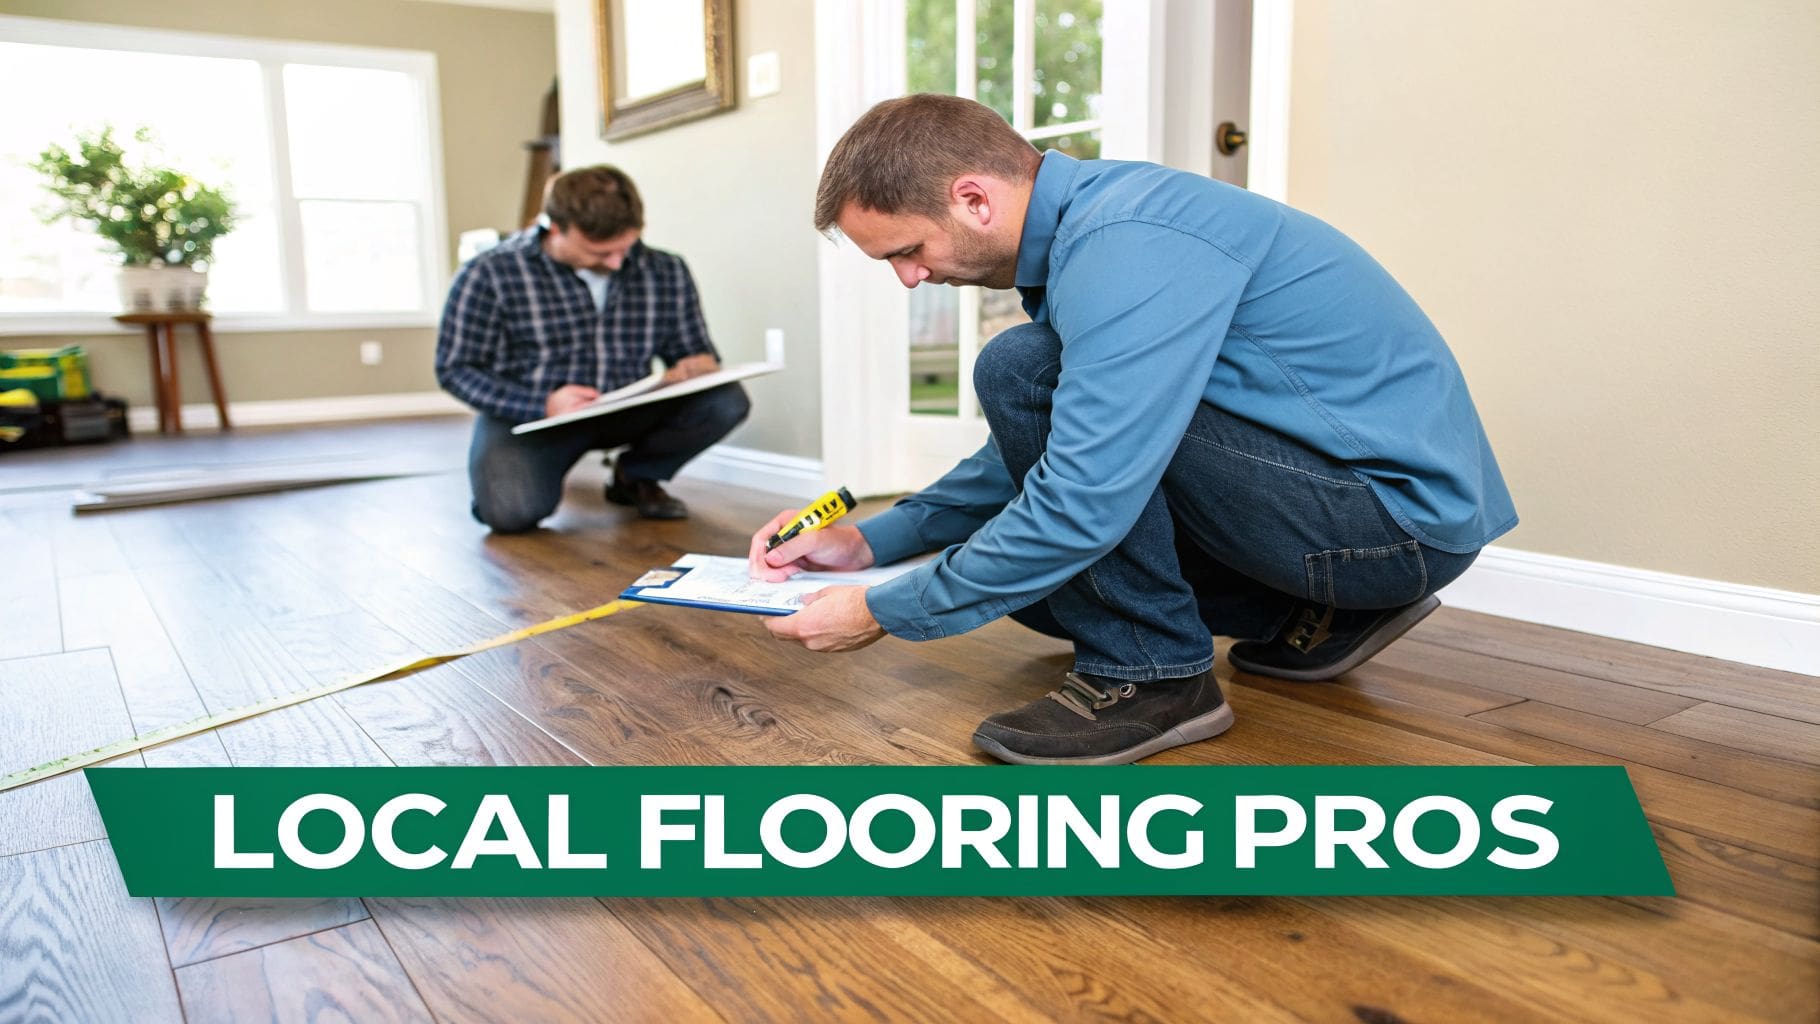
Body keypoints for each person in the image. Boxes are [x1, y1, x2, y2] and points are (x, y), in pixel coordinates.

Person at [748, 95, 1516, 765]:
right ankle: (1319, 613)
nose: (909, 279)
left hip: (1393, 524)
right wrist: (871, 543)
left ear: (974, 199)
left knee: (1020, 371)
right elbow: (1039, 454)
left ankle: (1154, 676)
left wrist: (886, 610)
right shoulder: (1096, 229)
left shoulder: (1126, 243)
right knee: (1043, 595)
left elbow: (1084, 494)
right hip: (1351, 510)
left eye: (908, 251)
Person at [437, 165, 750, 530]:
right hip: (533, 417)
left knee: (725, 400)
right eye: (600, 253)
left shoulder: (665, 269)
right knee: (509, 513)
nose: (617, 263)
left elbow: (692, 349)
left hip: (629, 407)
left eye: (625, 248)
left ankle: (635, 476)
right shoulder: (488, 273)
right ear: (555, 228)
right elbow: (456, 369)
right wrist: (542, 403)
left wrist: (696, 366)